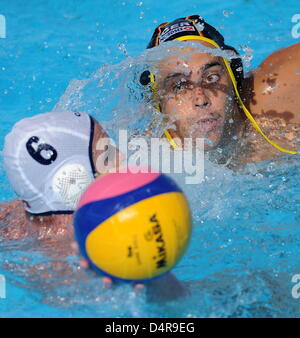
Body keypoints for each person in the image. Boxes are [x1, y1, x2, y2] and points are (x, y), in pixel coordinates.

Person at [140, 15, 300, 164]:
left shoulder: (277, 94)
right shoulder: (150, 157)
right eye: (179, 86)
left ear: (233, 78)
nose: (201, 99)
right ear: (159, 103)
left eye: (212, 78)